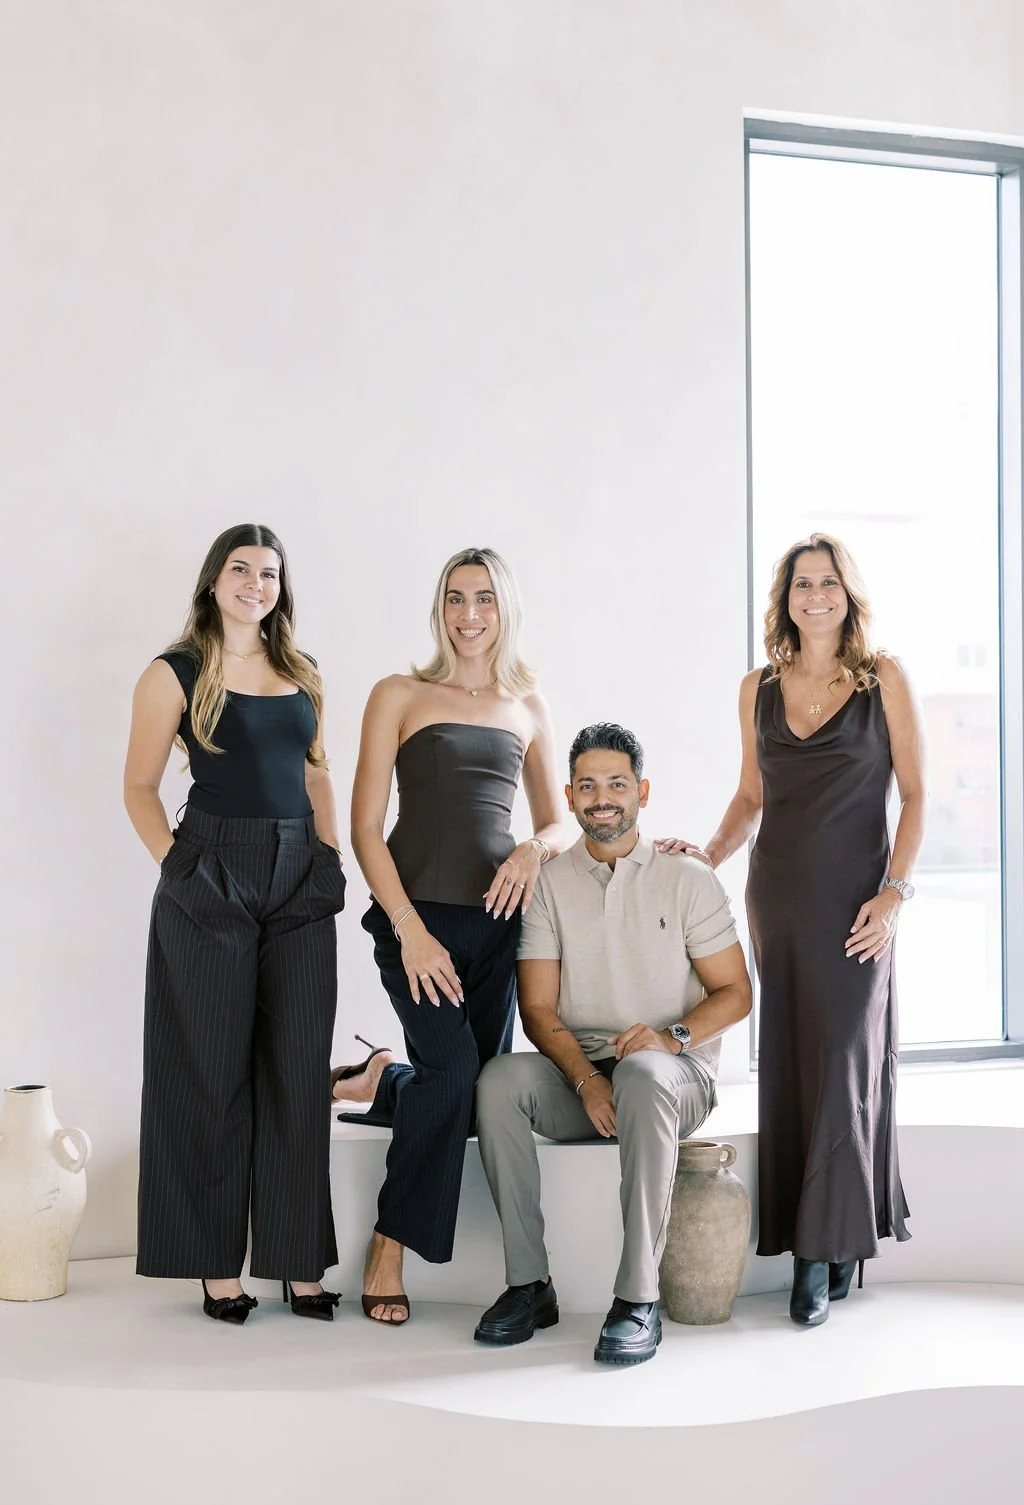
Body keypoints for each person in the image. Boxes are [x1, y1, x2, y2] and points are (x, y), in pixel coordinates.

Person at [683, 533, 925, 1326]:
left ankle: (824, 1251)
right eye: (800, 584)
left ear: (848, 593)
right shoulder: (756, 687)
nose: (814, 595)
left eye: (826, 582)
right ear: (784, 598)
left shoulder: (883, 677)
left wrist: (894, 893)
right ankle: (820, 1241)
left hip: (859, 903)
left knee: (846, 1061)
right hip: (779, 900)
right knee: (795, 1062)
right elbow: (751, 795)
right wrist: (708, 853)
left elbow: (917, 795)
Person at [473, 723, 752, 1366]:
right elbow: (538, 1008)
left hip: (670, 1079)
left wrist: (671, 1038)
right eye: (589, 786)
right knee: (498, 1083)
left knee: (645, 1075)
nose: (603, 798)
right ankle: (529, 1285)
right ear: (568, 797)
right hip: (586, 1080)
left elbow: (736, 993)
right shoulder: (547, 882)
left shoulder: (688, 877)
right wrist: (585, 1078)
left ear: (642, 792)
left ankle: (637, 1300)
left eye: (618, 784)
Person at [124, 524, 346, 1324]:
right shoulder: (175, 671)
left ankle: (298, 1261)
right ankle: (217, 1263)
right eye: (242, 569)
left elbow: (318, 774)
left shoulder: (302, 673)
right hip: (210, 867)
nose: (257, 583)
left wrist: (329, 859)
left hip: (299, 873)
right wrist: (182, 871)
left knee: (297, 1070)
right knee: (208, 1074)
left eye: (270, 572)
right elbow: (140, 788)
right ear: (214, 580)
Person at [338, 546, 564, 1324]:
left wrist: (537, 846)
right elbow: (365, 828)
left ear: (507, 610)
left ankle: (381, 1080)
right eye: (456, 598)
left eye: (486, 599)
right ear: (440, 608)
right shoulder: (398, 692)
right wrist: (409, 929)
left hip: (500, 927)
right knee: (457, 1066)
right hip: (417, 919)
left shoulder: (527, 704)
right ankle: (388, 1242)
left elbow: (559, 820)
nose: (470, 614)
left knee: (470, 1086)